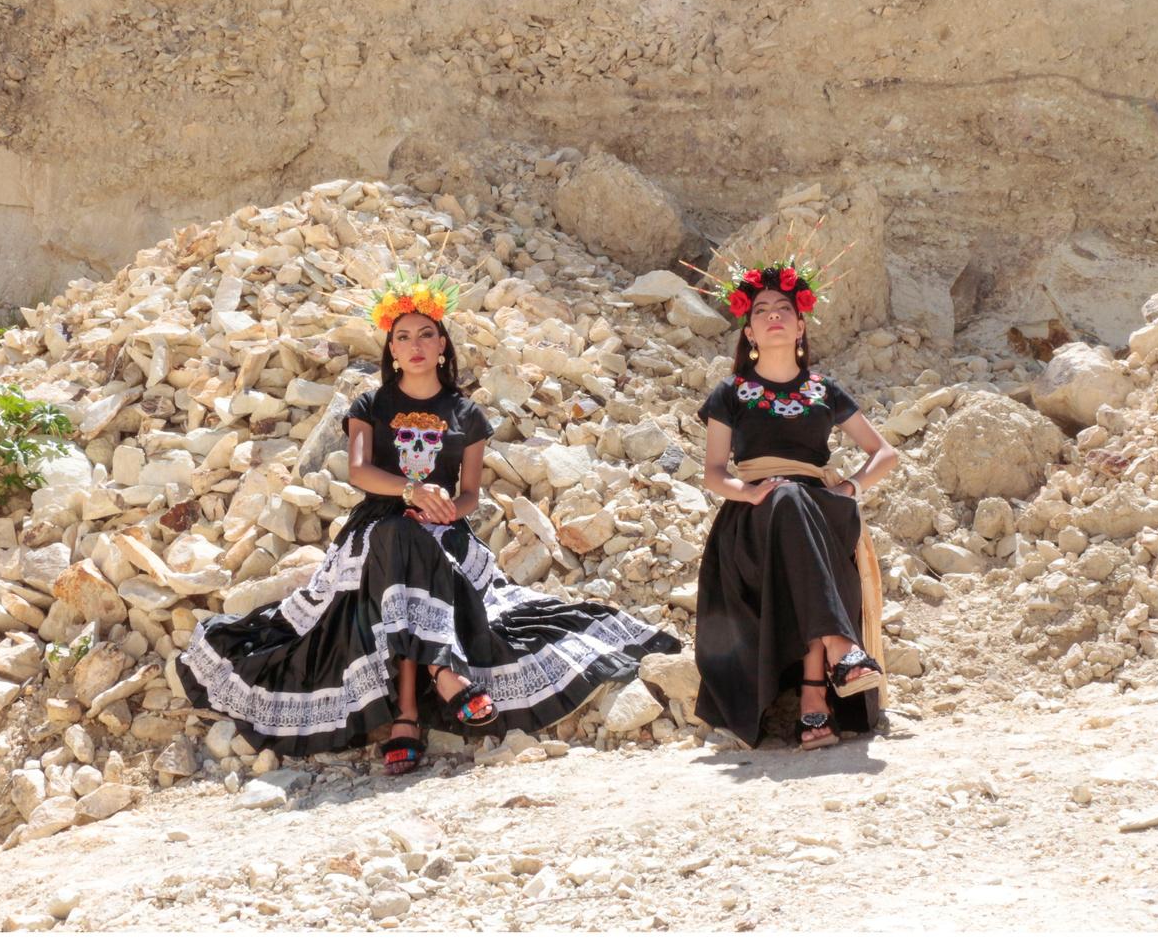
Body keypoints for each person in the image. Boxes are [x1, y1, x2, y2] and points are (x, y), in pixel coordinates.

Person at [175, 267, 679, 774]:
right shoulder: (370, 404)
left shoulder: (467, 414)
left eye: (425, 334)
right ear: (391, 350)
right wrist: (412, 491)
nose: (414, 346)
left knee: (414, 537)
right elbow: (359, 471)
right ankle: (443, 672)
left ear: (442, 345)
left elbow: (470, 495)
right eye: (402, 337)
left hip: (444, 531)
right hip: (377, 525)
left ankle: (408, 716)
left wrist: (447, 510)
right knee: (399, 532)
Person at [694, 258, 898, 749]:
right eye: (761, 309)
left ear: (801, 325)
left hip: (818, 507)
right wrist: (748, 491)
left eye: (784, 307)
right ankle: (835, 660)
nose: (773, 315)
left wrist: (850, 488)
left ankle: (814, 699)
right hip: (753, 515)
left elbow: (884, 454)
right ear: (749, 332)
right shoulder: (730, 392)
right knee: (785, 498)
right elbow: (714, 473)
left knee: (800, 507)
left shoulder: (824, 389)